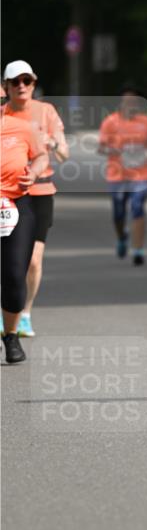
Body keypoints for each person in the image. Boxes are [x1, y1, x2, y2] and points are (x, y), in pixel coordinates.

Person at [1, 60, 68, 337]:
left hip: (40, 192)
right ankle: (9, 307)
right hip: (9, 196)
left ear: (34, 84)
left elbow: (64, 152)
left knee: (33, 261)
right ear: (6, 87)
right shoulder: (3, 115)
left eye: (26, 81)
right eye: (15, 82)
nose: (21, 86)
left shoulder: (46, 112)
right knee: (9, 262)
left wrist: (51, 144)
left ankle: (24, 314)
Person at [1, 92, 48, 363]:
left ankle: (10, 335)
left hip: (15, 206)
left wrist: (34, 171)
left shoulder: (22, 126)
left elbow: (41, 155)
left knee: (14, 273)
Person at [97, 85, 147, 266]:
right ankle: (122, 237)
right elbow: (101, 147)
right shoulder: (110, 122)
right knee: (118, 213)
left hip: (141, 173)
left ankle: (138, 250)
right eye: (126, 100)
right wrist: (115, 149)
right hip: (118, 175)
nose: (130, 104)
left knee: (138, 207)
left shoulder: (146, 121)